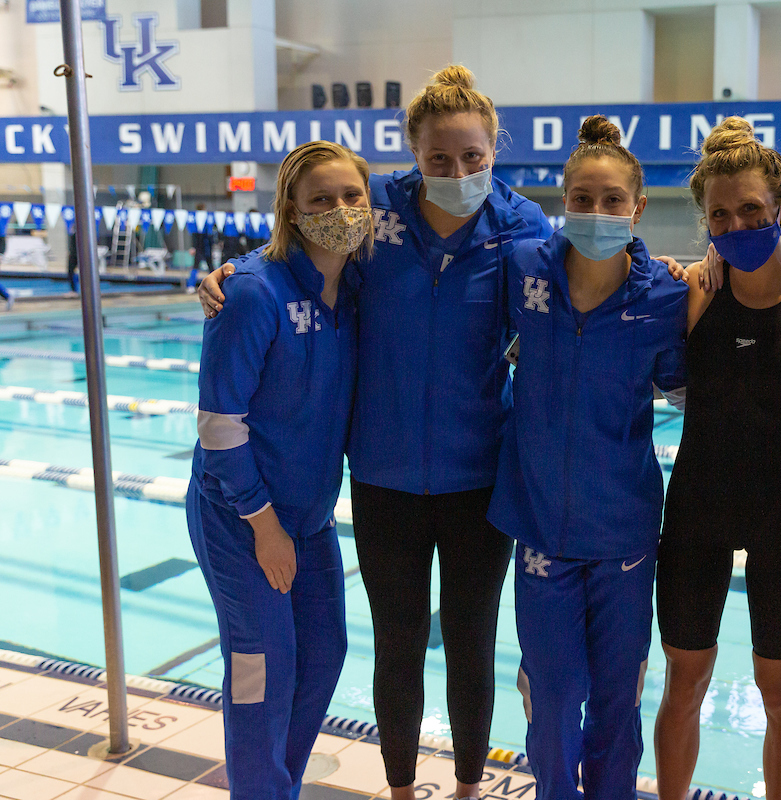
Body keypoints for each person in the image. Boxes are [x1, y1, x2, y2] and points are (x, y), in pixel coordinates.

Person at [199, 65, 554, 800]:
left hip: (477, 479)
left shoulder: (523, 228)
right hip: (383, 479)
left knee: (469, 647)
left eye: (474, 158)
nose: (457, 172)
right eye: (438, 159)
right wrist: (229, 271)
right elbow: (301, 251)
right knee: (394, 645)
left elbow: (580, 301)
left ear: (495, 153)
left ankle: (462, 788)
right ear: (411, 157)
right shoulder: (376, 212)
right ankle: (397, 790)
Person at [487, 115, 689, 800]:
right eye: (582, 199)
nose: (596, 212)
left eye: (611, 202)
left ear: (637, 208)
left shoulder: (663, 295)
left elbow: (694, 389)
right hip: (541, 529)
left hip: (625, 536)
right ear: (561, 201)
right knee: (551, 702)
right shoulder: (522, 270)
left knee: (616, 703)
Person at [186, 140, 371, 800]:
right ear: (291, 210)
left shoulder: (353, 290)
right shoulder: (251, 293)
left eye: (352, 196)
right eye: (321, 198)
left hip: (309, 517)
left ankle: (274, 789)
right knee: (261, 671)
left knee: (322, 658)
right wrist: (263, 525)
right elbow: (218, 425)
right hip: (241, 517)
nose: (340, 210)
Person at [654, 117, 781, 800]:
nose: (736, 223)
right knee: (684, 680)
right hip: (697, 510)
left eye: (751, 209)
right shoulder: (693, 292)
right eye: (720, 214)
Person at [189, 202, 214, 292]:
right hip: (203, 245)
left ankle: (191, 286)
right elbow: (196, 235)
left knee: (202, 266)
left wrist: (193, 247)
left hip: (202, 245)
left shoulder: (204, 220)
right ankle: (191, 285)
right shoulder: (201, 219)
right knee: (208, 266)